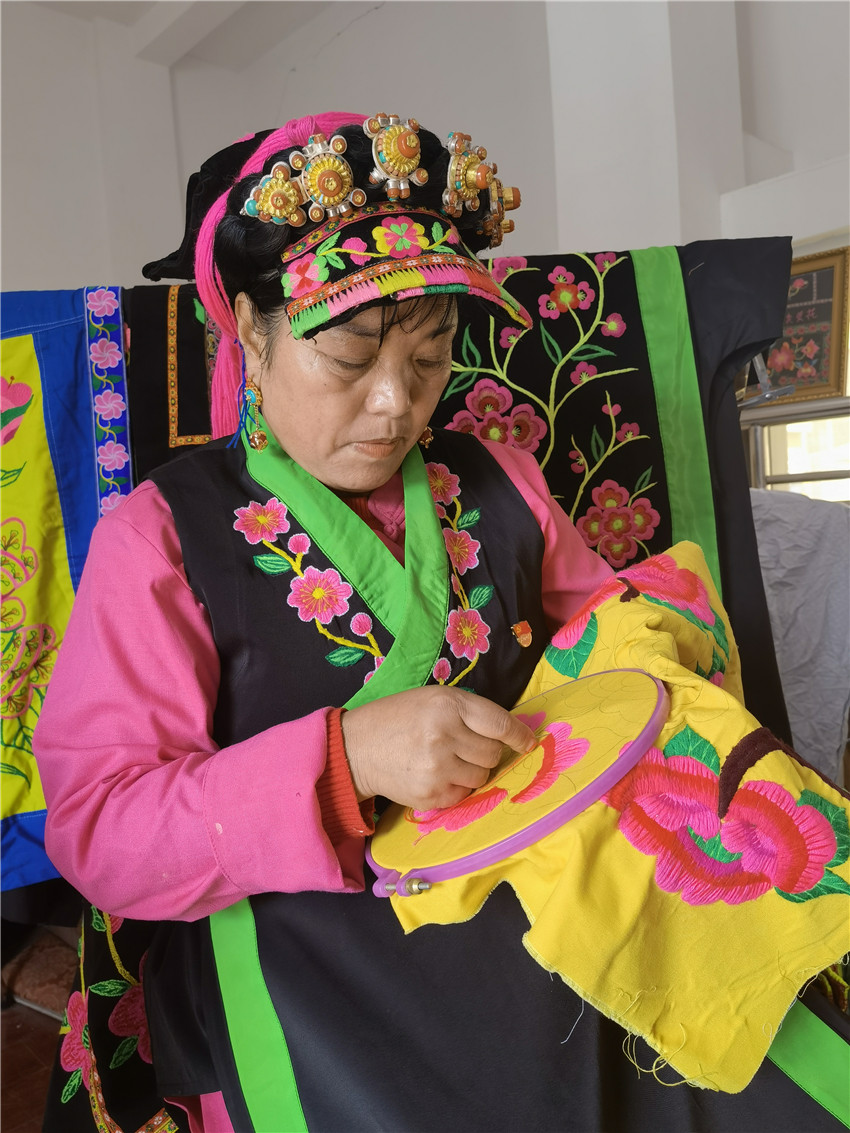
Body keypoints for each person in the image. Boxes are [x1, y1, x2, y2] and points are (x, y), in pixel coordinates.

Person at [34, 112, 846, 1133]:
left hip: (552, 901)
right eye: (349, 356)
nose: (395, 404)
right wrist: (347, 760)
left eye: (428, 357)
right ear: (250, 329)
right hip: (316, 958)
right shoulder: (162, 535)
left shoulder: (495, 477)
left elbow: (609, 630)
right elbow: (99, 827)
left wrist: (636, 645)